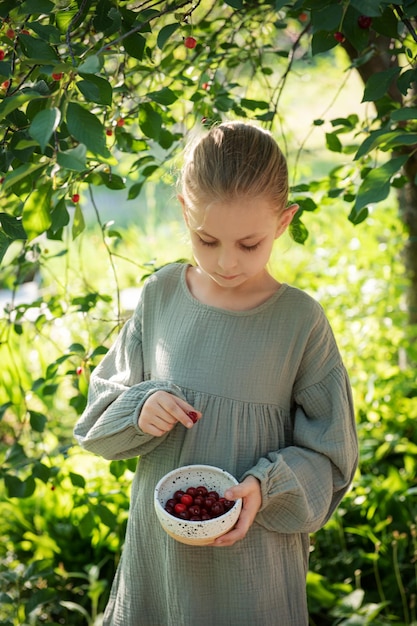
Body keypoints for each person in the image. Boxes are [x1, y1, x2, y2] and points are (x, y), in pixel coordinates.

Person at [74, 121, 358, 626]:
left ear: (283, 221)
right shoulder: (160, 296)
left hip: (255, 565)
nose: (226, 263)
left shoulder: (300, 322)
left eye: (249, 244)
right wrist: (140, 408)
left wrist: (266, 486)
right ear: (185, 210)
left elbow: (331, 457)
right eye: (206, 240)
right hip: (159, 562)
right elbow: (97, 422)